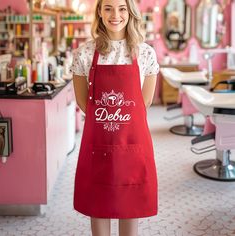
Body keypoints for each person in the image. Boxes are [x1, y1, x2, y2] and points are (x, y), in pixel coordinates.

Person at [70, 0, 159, 235]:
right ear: (99, 11)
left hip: (133, 143)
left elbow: (145, 102)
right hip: (97, 144)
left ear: (130, 13)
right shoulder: (85, 52)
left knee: (131, 204)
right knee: (98, 203)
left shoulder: (145, 52)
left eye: (121, 8)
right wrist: (109, 122)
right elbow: (83, 102)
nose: (115, 15)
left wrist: (115, 119)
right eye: (108, 7)